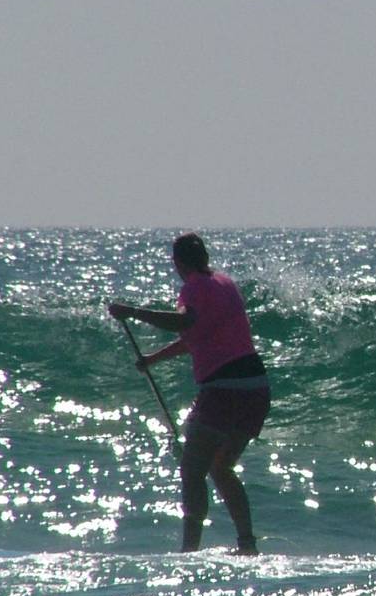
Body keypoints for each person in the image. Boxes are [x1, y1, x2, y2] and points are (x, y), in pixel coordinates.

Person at [109, 232, 269, 555]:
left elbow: (186, 321)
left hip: (224, 390)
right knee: (221, 468)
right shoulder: (225, 283)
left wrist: (134, 312)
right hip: (256, 389)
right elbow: (199, 335)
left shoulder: (193, 287)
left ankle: (189, 551)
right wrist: (153, 359)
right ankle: (247, 545)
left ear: (178, 263)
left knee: (192, 469)